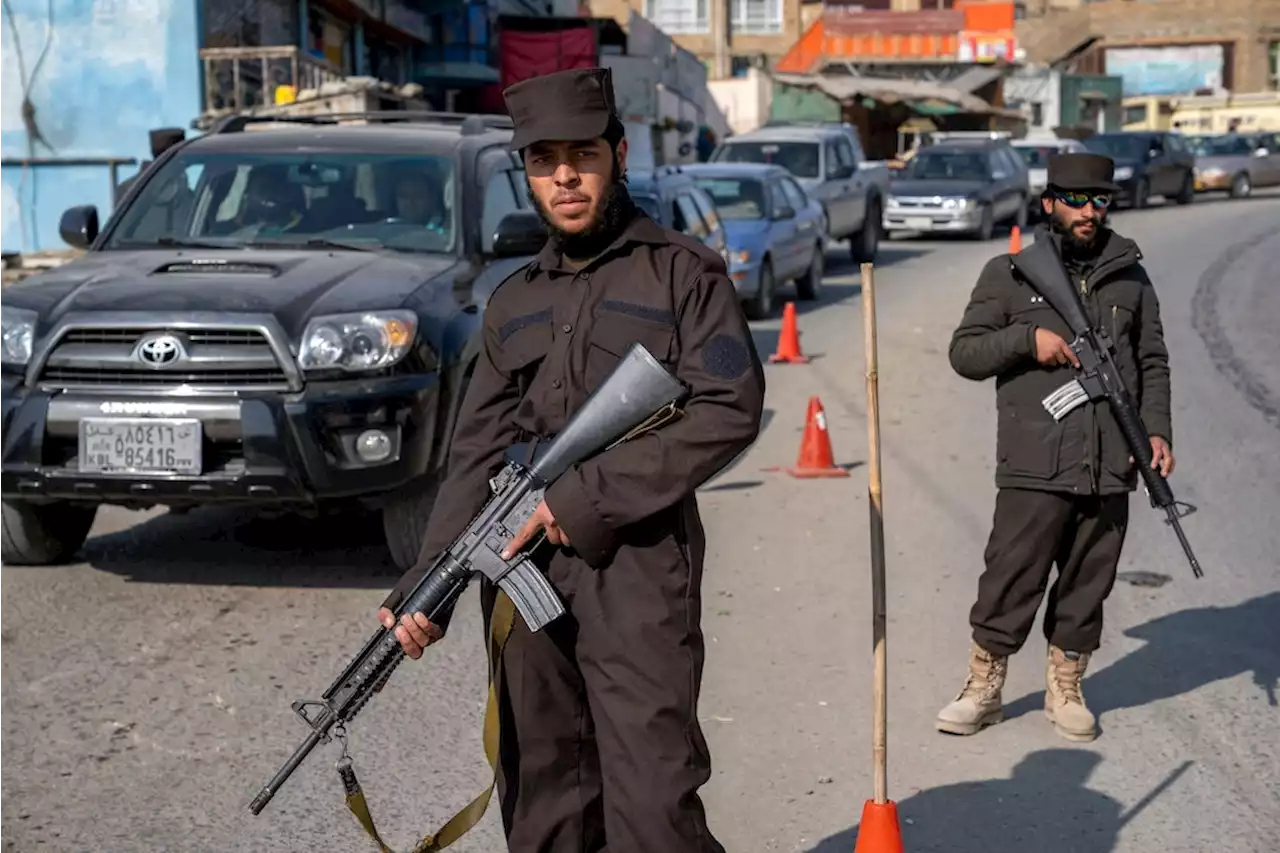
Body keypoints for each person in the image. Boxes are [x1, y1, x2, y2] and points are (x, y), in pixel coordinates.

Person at [376, 66, 765, 852]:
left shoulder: (683, 275)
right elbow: (475, 450)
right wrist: (428, 587)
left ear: (617, 154)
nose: (564, 176)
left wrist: (580, 498)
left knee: (653, 799)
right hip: (525, 577)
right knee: (544, 792)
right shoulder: (514, 299)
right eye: (544, 160)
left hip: (639, 566)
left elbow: (729, 408)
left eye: (581, 155)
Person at [937, 152, 1174, 743]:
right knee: (1011, 577)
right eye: (1075, 200)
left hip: (1112, 461)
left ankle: (1065, 685)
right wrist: (1026, 340)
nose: (1088, 212)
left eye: (1100, 201)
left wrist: (1157, 431)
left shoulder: (1130, 276)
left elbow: (1152, 362)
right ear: (1049, 204)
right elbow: (965, 353)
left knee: (1089, 581)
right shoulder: (1009, 273)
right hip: (1034, 460)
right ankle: (983, 688)